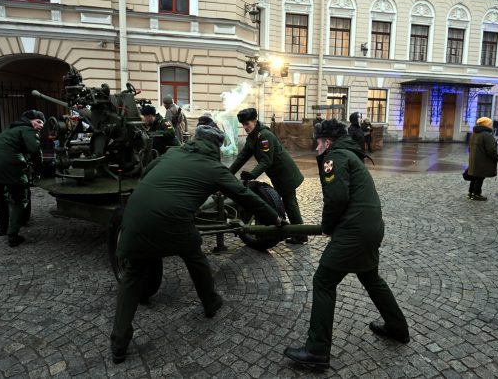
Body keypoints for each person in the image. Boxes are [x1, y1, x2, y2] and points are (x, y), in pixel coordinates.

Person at [110, 125, 283, 364]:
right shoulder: (214, 168)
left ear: (196, 140)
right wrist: (273, 217)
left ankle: (118, 343)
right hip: (174, 222)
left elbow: (146, 172)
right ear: (216, 148)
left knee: (133, 275)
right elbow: (245, 196)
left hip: (134, 215)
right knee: (195, 257)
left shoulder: (172, 153)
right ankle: (210, 302)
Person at [284, 119, 409, 371]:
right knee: (370, 277)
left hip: (354, 231)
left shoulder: (336, 157)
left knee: (323, 281)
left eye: (317, 142)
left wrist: (327, 226)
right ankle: (397, 328)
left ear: (327, 141)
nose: (315, 147)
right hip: (370, 227)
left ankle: (317, 351)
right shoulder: (348, 154)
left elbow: (337, 197)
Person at [229, 108, 306, 244]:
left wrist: (252, 174)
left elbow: (266, 160)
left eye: (248, 124)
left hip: (285, 174)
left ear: (255, 121)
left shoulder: (264, 136)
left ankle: (300, 235)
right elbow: (242, 157)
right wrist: (228, 173)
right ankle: (298, 233)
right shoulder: (253, 137)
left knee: (290, 203)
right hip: (278, 175)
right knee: (289, 202)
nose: (245, 127)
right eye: (243, 125)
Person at [0, 110, 44, 247]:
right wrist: (40, 170)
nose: (41, 126)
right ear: (29, 120)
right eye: (39, 122)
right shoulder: (27, 129)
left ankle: (2, 228)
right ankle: (13, 236)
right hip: (9, 166)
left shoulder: (10, 130)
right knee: (20, 198)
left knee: (0, 194)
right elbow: (35, 150)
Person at [467, 117, 498, 201]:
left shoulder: (474, 134)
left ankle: (470, 193)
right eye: (490, 124)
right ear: (487, 125)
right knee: (480, 177)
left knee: (475, 176)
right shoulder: (487, 135)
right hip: (483, 160)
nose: (491, 125)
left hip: (474, 159)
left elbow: (469, 148)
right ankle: (476, 194)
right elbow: (491, 149)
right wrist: (496, 157)